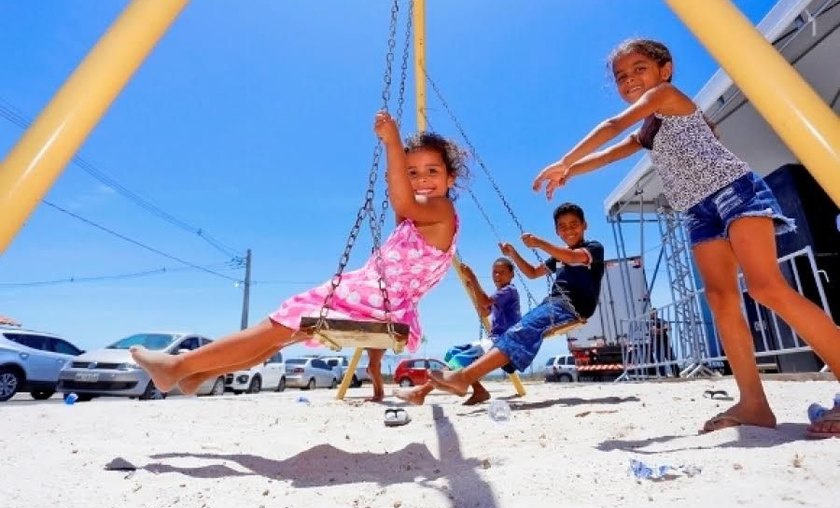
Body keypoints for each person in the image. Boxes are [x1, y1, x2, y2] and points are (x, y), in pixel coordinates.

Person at [532, 38, 840, 438]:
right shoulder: (649, 130)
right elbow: (611, 153)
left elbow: (612, 127)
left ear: (665, 69)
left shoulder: (666, 96)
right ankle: (754, 404)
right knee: (721, 299)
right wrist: (570, 173)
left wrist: (564, 160)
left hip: (734, 191)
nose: (630, 80)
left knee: (765, 287)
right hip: (698, 211)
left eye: (639, 68)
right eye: (621, 76)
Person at [130, 111, 467, 397]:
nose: (422, 179)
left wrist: (393, 142)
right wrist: (395, 172)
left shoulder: (442, 209)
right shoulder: (425, 218)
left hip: (373, 299)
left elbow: (404, 203)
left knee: (276, 328)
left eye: (432, 172)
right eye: (412, 173)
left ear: (451, 178)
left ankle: (175, 366)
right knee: (275, 337)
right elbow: (403, 209)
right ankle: (199, 374)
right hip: (376, 299)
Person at [427, 203, 605, 396]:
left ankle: (464, 378)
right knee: (514, 334)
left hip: (572, 307)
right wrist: (513, 253)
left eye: (574, 224)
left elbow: (572, 257)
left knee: (520, 332)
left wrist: (540, 243)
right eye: (562, 226)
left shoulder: (593, 248)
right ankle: (462, 379)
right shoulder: (558, 257)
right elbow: (532, 273)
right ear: (557, 230)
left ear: (585, 225)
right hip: (552, 304)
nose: (569, 229)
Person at [394, 257, 522, 405]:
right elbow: (484, 311)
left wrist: (473, 278)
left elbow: (485, 302)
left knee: (459, 360)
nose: (497, 276)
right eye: (495, 272)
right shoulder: (499, 294)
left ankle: (421, 392)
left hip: (503, 341)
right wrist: (472, 287)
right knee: (452, 353)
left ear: (512, 275)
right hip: (495, 339)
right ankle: (478, 390)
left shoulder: (509, 291)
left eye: (502, 272)